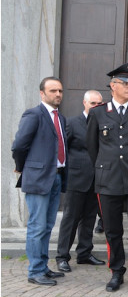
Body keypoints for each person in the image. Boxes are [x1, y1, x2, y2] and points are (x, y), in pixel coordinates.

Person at [86, 63, 128, 295]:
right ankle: (117, 272)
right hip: (108, 180)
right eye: (126, 84)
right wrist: (108, 167)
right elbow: (92, 149)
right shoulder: (98, 113)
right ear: (113, 86)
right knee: (112, 230)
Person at [11, 77, 67, 286]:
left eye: (60, 91)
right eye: (53, 91)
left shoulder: (60, 118)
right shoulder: (34, 114)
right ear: (42, 93)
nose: (58, 94)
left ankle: (43, 267)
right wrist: (23, 166)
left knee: (47, 225)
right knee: (36, 225)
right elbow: (19, 145)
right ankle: (35, 271)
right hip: (38, 178)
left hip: (57, 177)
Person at [55, 90, 106, 272]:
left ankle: (84, 253)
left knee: (90, 218)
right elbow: (62, 150)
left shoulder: (103, 123)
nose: (96, 107)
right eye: (93, 103)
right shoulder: (72, 123)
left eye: (99, 104)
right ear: (84, 103)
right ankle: (62, 256)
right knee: (71, 218)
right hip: (76, 178)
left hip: (96, 179)